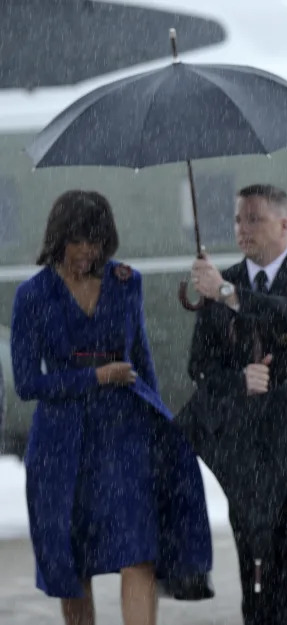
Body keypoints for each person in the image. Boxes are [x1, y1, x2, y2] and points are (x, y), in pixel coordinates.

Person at [10, 190, 213, 625]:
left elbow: (140, 360)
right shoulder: (32, 295)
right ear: (59, 238)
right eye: (79, 241)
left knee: (139, 549)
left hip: (125, 434)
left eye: (97, 241)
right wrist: (94, 377)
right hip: (61, 445)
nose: (88, 251)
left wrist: (159, 422)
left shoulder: (126, 282)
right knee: (72, 559)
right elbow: (28, 384)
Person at [178, 184, 287, 625]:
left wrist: (226, 294)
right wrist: (240, 379)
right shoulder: (222, 283)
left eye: (254, 218)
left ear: (283, 224)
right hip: (255, 457)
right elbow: (201, 368)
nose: (243, 229)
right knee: (262, 578)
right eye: (238, 219)